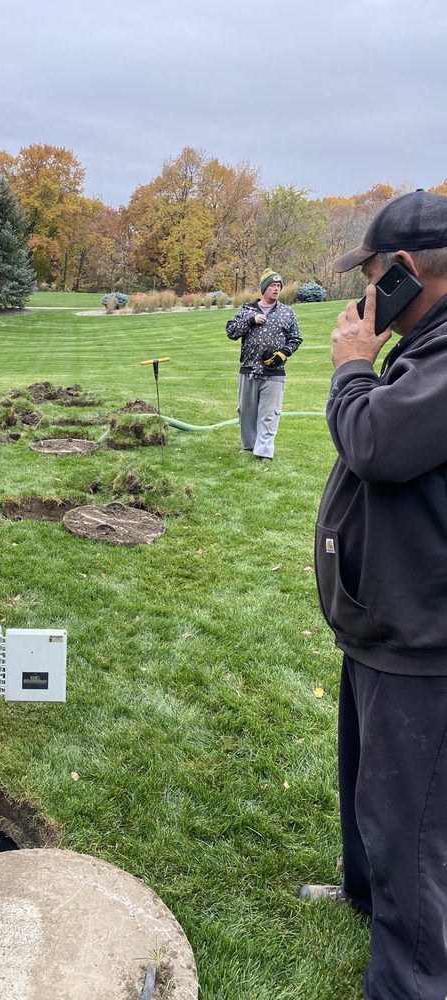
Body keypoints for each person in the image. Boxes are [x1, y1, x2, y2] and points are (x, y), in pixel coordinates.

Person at [305, 189, 447, 1000]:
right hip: (384, 625)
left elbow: (375, 444)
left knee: (413, 827)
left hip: (425, 639)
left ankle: (412, 979)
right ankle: (365, 894)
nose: (362, 294)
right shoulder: (427, 347)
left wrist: (354, 365)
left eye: (369, 276)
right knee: (369, 787)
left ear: (401, 271)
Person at [226, 268, 303, 460]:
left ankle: (264, 452)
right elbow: (231, 331)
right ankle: (248, 447)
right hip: (248, 370)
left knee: (269, 414)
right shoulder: (247, 310)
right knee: (246, 413)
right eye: (272, 286)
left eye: (278, 286)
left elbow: (296, 338)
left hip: (274, 372)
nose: (276, 289)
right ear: (264, 288)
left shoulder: (287, 312)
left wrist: (283, 354)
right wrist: (251, 321)